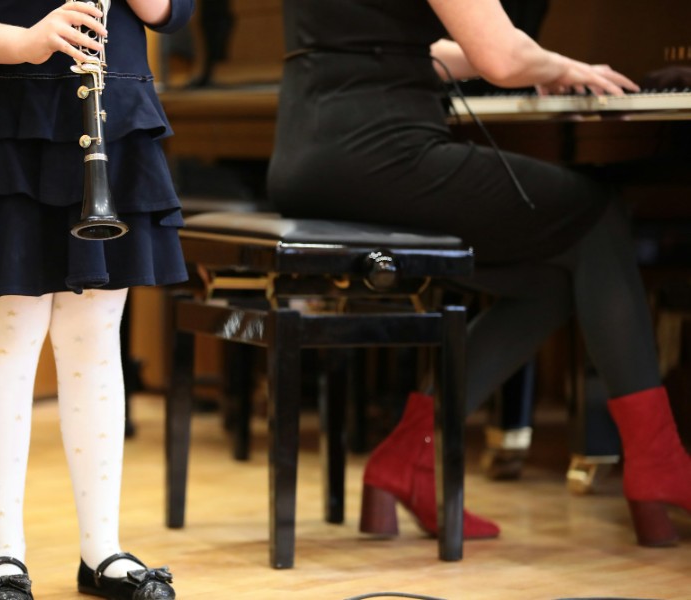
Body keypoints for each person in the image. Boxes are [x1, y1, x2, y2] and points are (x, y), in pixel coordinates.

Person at [267, 0, 691, 547]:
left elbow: (404, 47)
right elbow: (502, 59)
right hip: (382, 152)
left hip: (306, 154)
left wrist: (539, 60)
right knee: (597, 217)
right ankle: (658, 461)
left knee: (548, 285)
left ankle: (407, 460)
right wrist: (557, 65)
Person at [0, 1, 193, 598]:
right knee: (9, 331)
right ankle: (1, 554)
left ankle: (102, 550)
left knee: (95, 339)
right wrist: (26, 42)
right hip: (8, 117)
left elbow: (173, 12)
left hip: (113, 118)